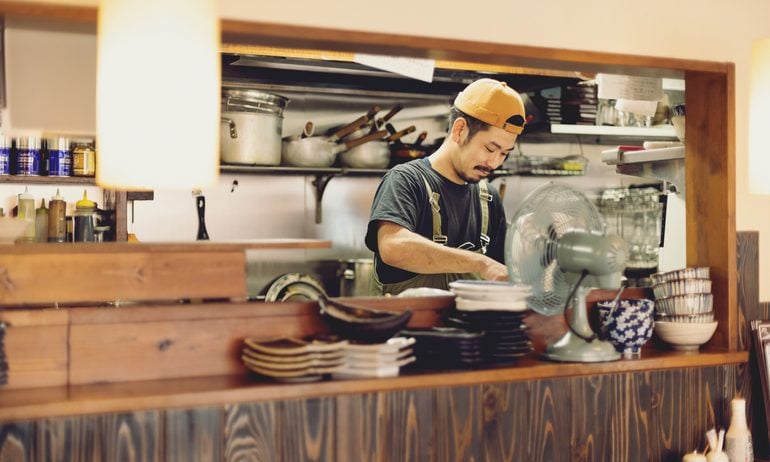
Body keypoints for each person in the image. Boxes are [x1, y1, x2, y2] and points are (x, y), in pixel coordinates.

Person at [365, 78, 526, 295]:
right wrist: (480, 263)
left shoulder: (488, 198)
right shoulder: (406, 180)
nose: (495, 162)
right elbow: (393, 247)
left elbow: (505, 272)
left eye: (505, 153)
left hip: (472, 328)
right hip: (406, 327)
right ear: (459, 130)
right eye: (490, 148)